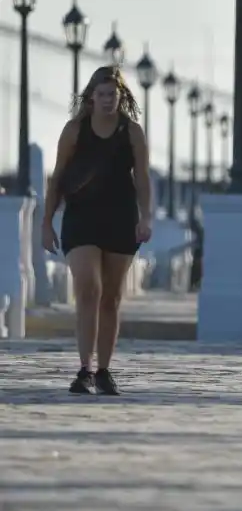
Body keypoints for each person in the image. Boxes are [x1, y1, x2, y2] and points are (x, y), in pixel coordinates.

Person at [41, 65, 153, 396]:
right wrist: (46, 223)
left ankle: (104, 371)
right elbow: (57, 178)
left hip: (120, 218)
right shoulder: (75, 130)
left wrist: (145, 218)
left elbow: (143, 178)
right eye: (101, 95)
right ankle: (84, 370)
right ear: (91, 98)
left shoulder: (131, 132)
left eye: (112, 95)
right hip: (81, 218)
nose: (106, 100)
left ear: (121, 97)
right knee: (88, 288)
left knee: (112, 298)